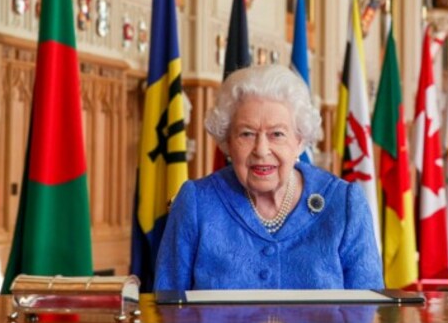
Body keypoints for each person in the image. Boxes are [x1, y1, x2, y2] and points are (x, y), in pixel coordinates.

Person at [154, 64, 383, 291]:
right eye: (247, 134)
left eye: (277, 134)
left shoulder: (344, 205)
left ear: (299, 140)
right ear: (227, 142)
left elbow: (369, 315)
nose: (261, 150)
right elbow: (167, 310)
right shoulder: (196, 203)